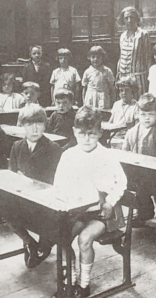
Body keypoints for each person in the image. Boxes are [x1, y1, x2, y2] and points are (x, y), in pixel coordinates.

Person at [53, 107, 127, 298]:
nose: (86, 139)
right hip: (76, 211)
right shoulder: (68, 155)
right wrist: (65, 201)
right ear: (74, 131)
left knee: (84, 240)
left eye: (92, 134)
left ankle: (83, 285)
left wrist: (110, 202)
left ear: (100, 133)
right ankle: (70, 280)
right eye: (82, 134)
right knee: (61, 236)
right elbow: (59, 185)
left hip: (102, 213)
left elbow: (122, 182)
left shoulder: (108, 156)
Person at [7, 104, 63, 268]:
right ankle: (29, 242)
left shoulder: (53, 148)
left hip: (45, 200)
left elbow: (56, 180)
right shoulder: (17, 146)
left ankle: (45, 244)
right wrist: (17, 179)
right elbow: (11, 172)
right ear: (22, 125)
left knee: (47, 221)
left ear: (45, 125)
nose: (34, 129)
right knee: (3, 209)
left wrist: (34, 183)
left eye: (39, 124)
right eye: (29, 124)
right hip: (23, 196)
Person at [122, 93, 156, 225]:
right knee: (140, 196)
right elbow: (125, 153)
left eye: (151, 114)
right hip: (139, 174)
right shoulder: (131, 132)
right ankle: (144, 214)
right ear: (137, 114)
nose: (147, 118)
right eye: (143, 114)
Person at [116, 7, 152, 95]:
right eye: (126, 18)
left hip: (138, 77)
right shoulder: (122, 36)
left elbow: (148, 57)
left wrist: (149, 77)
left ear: (136, 18)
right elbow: (121, 56)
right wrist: (118, 73)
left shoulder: (143, 34)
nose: (129, 20)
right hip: (123, 77)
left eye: (132, 17)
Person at [107, 76, 141, 147]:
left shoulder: (136, 106)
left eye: (127, 90)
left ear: (132, 91)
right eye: (121, 90)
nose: (124, 93)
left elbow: (137, 127)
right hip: (113, 137)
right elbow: (111, 122)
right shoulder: (116, 104)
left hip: (127, 139)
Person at [82, 46, 116, 110]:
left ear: (103, 58)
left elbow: (112, 88)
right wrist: (84, 101)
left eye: (98, 57)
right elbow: (84, 88)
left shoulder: (107, 71)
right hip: (90, 97)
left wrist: (113, 101)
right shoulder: (87, 71)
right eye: (93, 57)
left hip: (103, 97)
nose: (95, 59)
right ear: (89, 58)